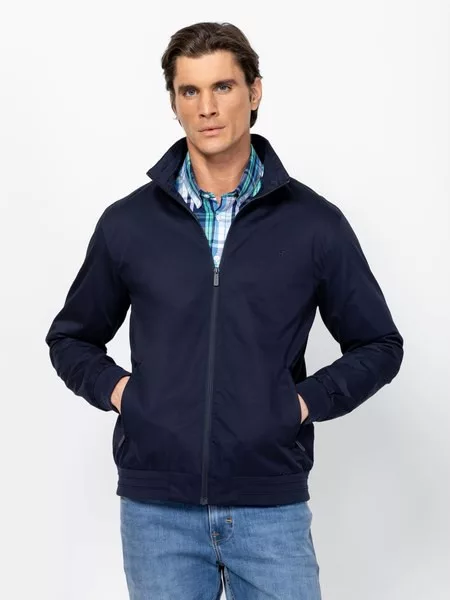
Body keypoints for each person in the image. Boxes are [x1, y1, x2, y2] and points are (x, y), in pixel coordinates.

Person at [45, 21, 404, 600]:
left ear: (254, 92)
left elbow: (379, 345)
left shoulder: (314, 224)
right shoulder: (128, 224)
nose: (207, 107)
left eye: (223, 87)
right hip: (157, 511)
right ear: (174, 103)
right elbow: (71, 338)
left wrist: (299, 403)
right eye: (190, 91)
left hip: (270, 508)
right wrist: (126, 395)